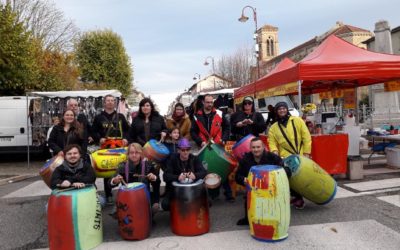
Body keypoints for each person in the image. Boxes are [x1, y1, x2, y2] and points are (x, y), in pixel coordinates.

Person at [268, 101, 312, 209]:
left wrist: (306, 152)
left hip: (301, 153)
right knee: (289, 178)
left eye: (283, 108)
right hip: (285, 156)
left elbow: (306, 137)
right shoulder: (273, 127)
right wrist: (274, 152)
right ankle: (298, 198)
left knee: (301, 177)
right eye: (279, 109)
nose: (282, 110)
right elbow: (272, 142)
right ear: (276, 112)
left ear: (287, 109)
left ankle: (300, 197)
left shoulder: (297, 121)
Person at [235, 137, 286, 225]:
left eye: (258, 147)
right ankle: (248, 218)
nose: (256, 149)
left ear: (263, 147)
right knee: (248, 197)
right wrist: (243, 179)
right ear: (250, 148)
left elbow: (286, 170)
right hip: (253, 190)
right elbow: (237, 176)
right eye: (253, 147)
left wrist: (277, 177)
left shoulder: (273, 157)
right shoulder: (245, 159)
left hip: (271, 189)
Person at [190, 94, 232, 201]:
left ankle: (228, 193)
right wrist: (200, 142)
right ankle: (212, 193)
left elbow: (227, 127)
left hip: (218, 145)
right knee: (207, 169)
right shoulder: (196, 115)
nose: (209, 104)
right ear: (203, 102)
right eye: (207, 102)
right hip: (204, 146)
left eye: (211, 102)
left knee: (222, 168)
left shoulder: (219, 113)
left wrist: (224, 138)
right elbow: (193, 132)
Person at [91, 94, 130, 204]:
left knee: (123, 168)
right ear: (104, 103)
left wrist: (126, 138)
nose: (110, 102)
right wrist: (99, 138)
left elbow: (128, 130)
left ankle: (126, 191)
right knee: (107, 169)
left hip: (120, 147)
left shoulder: (121, 117)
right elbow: (93, 131)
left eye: (112, 100)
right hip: (106, 148)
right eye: (108, 100)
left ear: (115, 103)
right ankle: (108, 194)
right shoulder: (98, 117)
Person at [110, 143, 160, 214]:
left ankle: (149, 218)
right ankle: (127, 221)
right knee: (115, 211)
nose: (134, 155)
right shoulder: (122, 166)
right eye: (131, 153)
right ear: (128, 154)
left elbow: (157, 184)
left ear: (141, 154)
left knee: (155, 207)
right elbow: (110, 183)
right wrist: (114, 181)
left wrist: (154, 178)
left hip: (144, 197)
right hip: (128, 197)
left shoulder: (148, 165)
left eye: (137, 152)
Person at [161, 138, 207, 211]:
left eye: (187, 149)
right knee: (165, 204)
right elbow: (165, 176)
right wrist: (177, 177)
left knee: (208, 202)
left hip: (192, 190)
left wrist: (195, 175)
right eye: (183, 150)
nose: (185, 152)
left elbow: (203, 172)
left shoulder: (194, 158)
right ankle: (176, 214)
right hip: (176, 191)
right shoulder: (172, 159)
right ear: (178, 150)